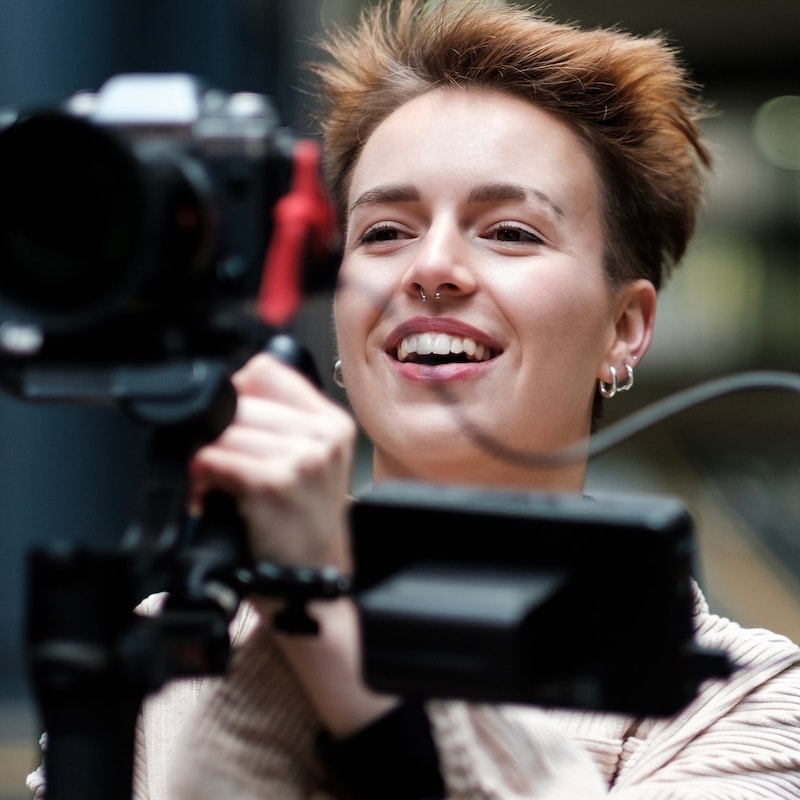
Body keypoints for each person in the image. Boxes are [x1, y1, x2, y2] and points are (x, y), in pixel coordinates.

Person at [27, 0, 800, 798]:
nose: (430, 268)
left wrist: (325, 598)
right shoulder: (160, 652)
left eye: (510, 232)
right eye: (383, 232)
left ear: (625, 328)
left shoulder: (750, 700)